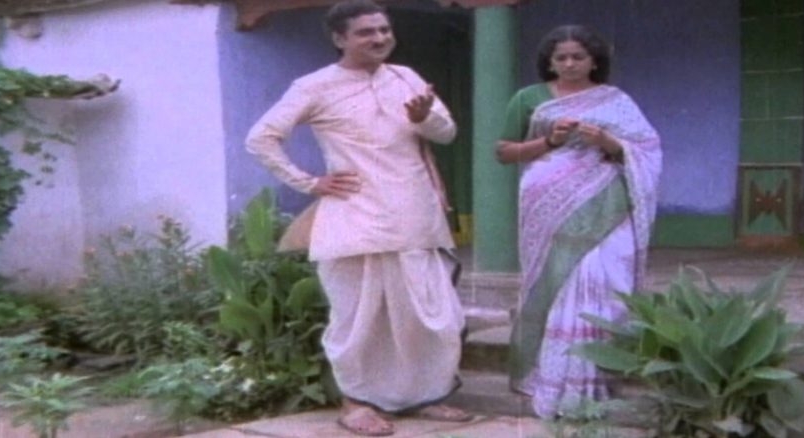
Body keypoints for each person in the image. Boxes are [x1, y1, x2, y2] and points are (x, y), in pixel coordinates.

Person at [244, 0, 472, 435]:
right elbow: (261, 138)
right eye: (367, 32)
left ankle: (427, 395)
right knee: (358, 318)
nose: (380, 38)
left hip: (415, 214)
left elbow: (447, 133)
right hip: (355, 216)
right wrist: (310, 182)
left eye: (384, 29)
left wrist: (424, 118)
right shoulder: (314, 86)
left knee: (431, 315)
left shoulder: (405, 77)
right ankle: (355, 403)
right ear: (339, 38)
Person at [496, 25, 662, 418]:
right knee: (556, 280)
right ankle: (552, 380)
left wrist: (607, 142)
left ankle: (597, 379)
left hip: (607, 203)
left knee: (605, 280)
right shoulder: (529, 98)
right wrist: (550, 141)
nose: (569, 64)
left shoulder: (615, 100)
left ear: (594, 60)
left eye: (578, 57)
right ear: (550, 62)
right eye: (561, 58)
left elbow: (647, 148)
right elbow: (504, 152)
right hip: (548, 203)